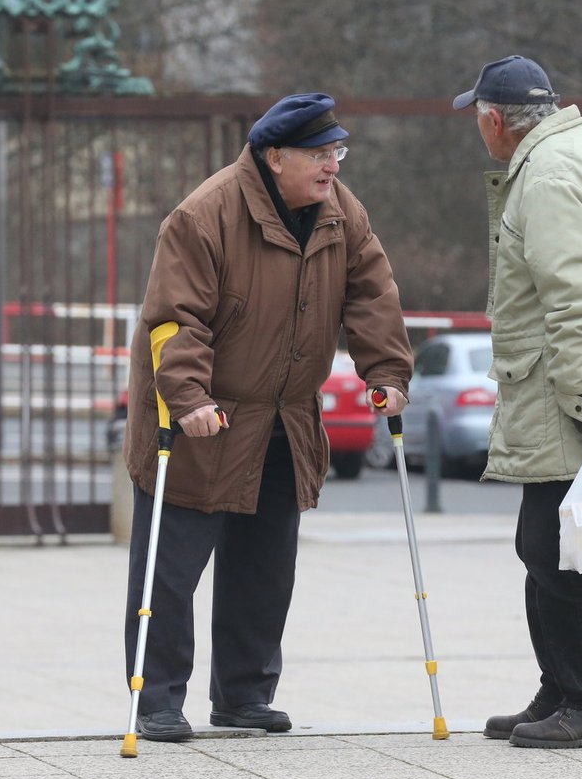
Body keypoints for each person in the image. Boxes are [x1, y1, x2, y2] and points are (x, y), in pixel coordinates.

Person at [122, 93, 413, 742]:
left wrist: (385, 374)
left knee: (265, 566)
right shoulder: (206, 215)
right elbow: (175, 319)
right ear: (273, 156)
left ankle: (245, 693)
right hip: (203, 415)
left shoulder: (343, 212)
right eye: (318, 153)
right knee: (169, 570)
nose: (332, 165)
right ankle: (157, 699)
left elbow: (373, 293)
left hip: (284, 417)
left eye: (337, 151)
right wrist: (191, 398)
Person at [452, 56, 582, 749]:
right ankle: (563, 687)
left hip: (566, 394)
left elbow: (576, 295)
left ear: (492, 119)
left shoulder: (546, 175)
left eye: (476, 120)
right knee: (543, 544)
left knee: (557, 549)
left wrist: (580, 398)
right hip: (579, 386)